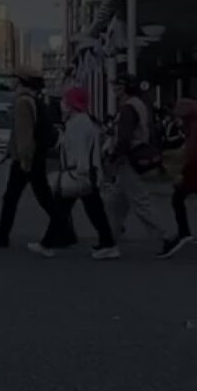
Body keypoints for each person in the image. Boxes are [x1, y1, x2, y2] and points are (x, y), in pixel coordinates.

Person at [28, 87, 118, 259]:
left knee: (65, 209)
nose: (62, 104)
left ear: (72, 104)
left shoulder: (78, 124)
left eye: (65, 101)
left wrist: (77, 171)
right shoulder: (83, 121)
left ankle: (47, 244)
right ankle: (107, 243)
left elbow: (80, 152)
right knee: (88, 210)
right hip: (85, 175)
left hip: (79, 175)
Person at [0, 67, 62, 248]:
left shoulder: (22, 102)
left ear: (20, 81)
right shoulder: (33, 99)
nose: (12, 82)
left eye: (14, 79)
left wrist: (24, 160)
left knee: (19, 198)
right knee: (38, 196)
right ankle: (63, 230)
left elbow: (24, 135)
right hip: (33, 157)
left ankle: (2, 236)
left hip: (26, 159)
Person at [102, 75, 172, 257]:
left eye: (117, 85)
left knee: (140, 202)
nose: (114, 89)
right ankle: (109, 237)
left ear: (125, 88)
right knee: (115, 202)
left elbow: (124, 138)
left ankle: (165, 237)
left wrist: (114, 156)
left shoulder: (127, 109)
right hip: (133, 156)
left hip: (127, 159)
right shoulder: (139, 104)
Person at [160, 98, 197, 257]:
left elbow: (193, 156)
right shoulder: (191, 127)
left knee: (177, 198)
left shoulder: (194, 128)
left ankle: (184, 232)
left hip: (194, 171)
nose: (177, 120)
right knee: (178, 197)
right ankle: (184, 233)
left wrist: (183, 174)